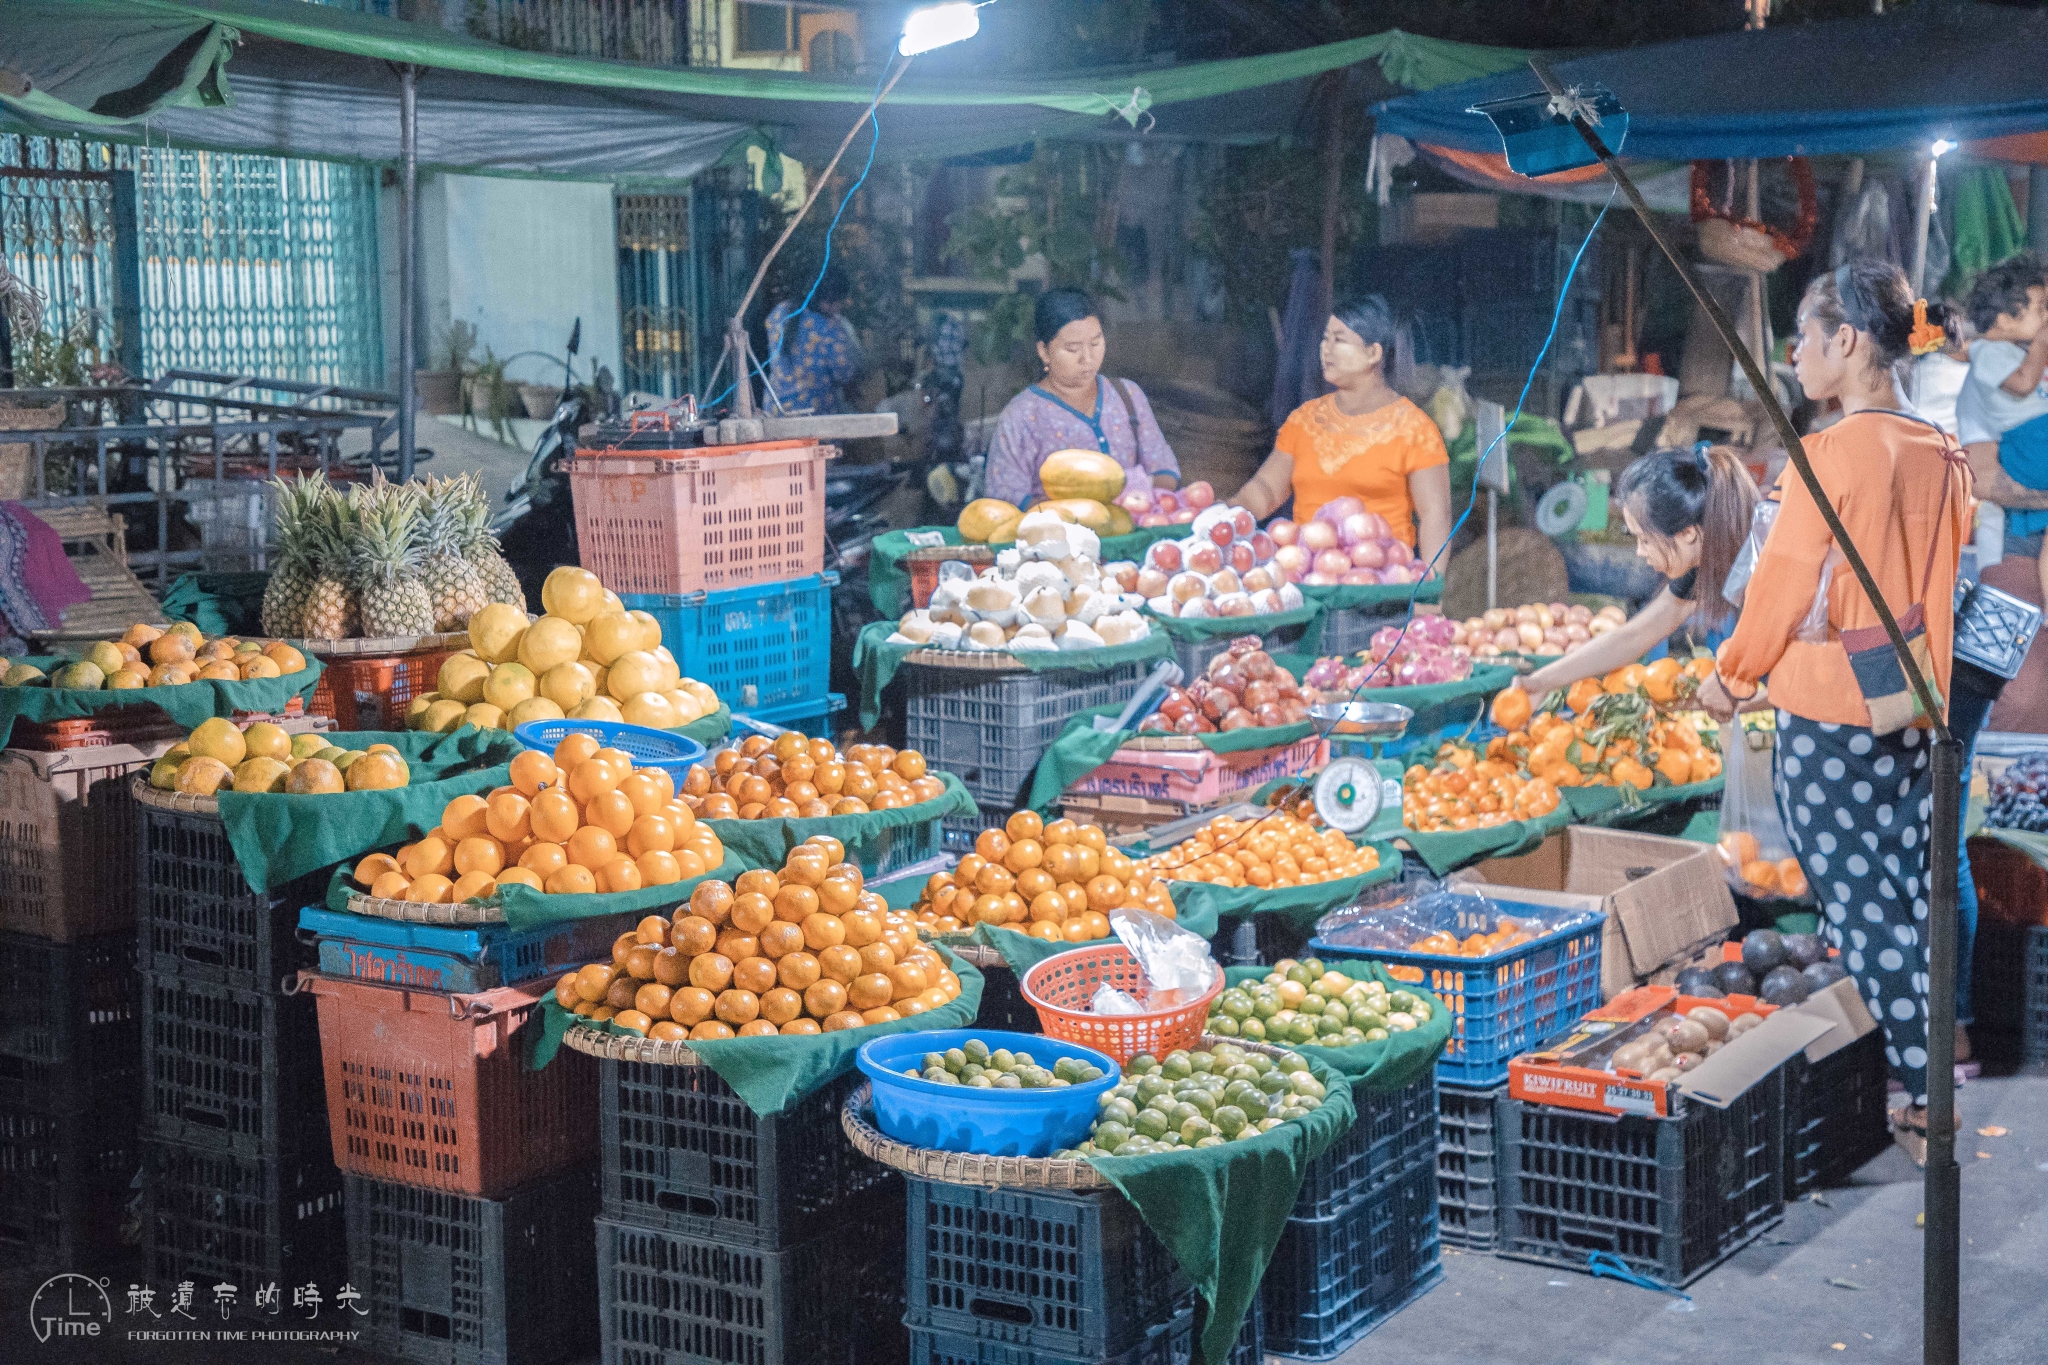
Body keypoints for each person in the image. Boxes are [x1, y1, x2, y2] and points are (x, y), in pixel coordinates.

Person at [1696, 260, 1972, 1165]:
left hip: (1833, 709)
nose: (1795, 357)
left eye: (1806, 339)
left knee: (1861, 914)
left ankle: (1929, 1101)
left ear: (1847, 341)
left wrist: (1734, 676)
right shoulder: (1939, 446)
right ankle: (1933, 1072)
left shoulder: (1831, 454)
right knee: (1908, 894)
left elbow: (1781, 587)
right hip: (1913, 701)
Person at [1517, 445, 1758, 696]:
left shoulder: (1758, 563)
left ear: (1687, 534)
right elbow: (1634, 636)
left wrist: (1735, 694)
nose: (1640, 552)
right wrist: (1540, 682)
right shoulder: (1703, 561)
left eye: (1645, 540)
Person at [1234, 296, 1452, 569]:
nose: (1326, 349)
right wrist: (1233, 510)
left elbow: (1436, 516)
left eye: (1339, 340)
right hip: (1308, 584)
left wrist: (1429, 593)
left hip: (1381, 589)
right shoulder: (1305, 420)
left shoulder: (1415, 430)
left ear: (1373, 353)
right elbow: (1266, 488)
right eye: (1325, 339)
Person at [982, 289, 1179, 508]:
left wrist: (1127, 494)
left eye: (1095, 343)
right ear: (1044, 352)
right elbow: (1004, 501)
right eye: (1072, 348)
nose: (1088, 358)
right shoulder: (1022, 416)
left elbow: (1165, 473)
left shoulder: (1127, 395)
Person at [765, 264, 862, 416]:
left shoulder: (779, 313)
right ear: (832, 300)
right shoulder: (830, 328)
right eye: (840, 302)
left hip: (776, 410)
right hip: (815, 415)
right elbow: (844, 373)